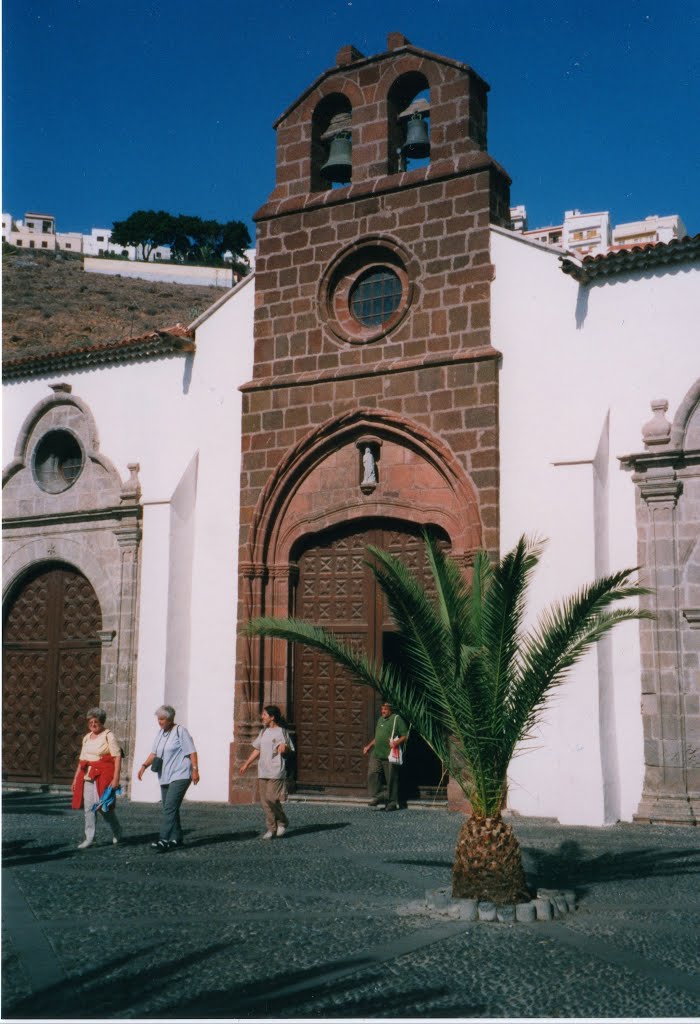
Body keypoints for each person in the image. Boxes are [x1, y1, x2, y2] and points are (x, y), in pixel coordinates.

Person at [137, 704, 199, 851]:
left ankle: (163, 839)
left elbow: (192, 751)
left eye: (162, 719)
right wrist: (144, 766)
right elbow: (154, 754)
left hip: (181, 774)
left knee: (169, 807)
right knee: (169, 807)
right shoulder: (160, 734)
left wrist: (195, 770)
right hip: (165, 776)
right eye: (158, 719)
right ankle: (176, 838)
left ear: (170, 719)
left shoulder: (180, 731)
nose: (160, 722)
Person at [239, 705, 294, 839]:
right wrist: (246, 764)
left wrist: (283, 747)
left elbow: (288, 749)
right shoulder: (263, 732)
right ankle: (271, 828)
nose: (262, 717)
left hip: (276, 770)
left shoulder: (282, 732)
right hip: (263, 770)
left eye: (264, 715)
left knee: (271, 798)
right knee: (264, 801)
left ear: (272, 717)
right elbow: (257, 749)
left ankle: (282, 821)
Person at [71, 707, 123, 849]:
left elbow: (117, 757)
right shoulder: (87, 738)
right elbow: (82, 760)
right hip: (88, 776)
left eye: (96, 721)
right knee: (89, 808)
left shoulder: (108, 735)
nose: (93, 724)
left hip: (104, 776)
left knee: (103, 807)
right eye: (90, 721)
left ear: (102, 722)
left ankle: (117, 830)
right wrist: (76, 779)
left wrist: (116, 779)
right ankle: (90, 838)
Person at [362, 699, 408, 811]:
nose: (383, 711)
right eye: (382, 709)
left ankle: (391, 803)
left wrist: (395, 743)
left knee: (391, 779)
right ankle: (379, 796)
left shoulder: (396, 719)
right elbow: (377, 737)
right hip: (377, 753)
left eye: (385, 709)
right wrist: (368, 746)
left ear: (390, 710)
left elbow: (405, 735)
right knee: (372, 774)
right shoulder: (380, 720)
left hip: (389, 755)